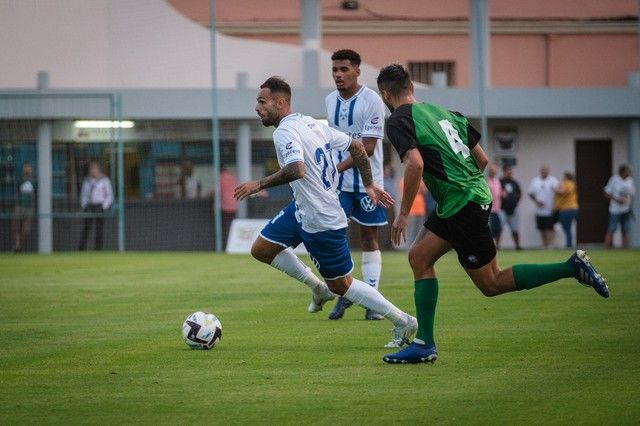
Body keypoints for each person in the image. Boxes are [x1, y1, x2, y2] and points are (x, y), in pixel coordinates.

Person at [375, 64, 609, 364]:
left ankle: (571, 267)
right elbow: (482, 159)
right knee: (419, 257)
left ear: (385, 94)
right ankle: (424, 343)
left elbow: (416, 165)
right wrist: (465, 185)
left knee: (491, 283)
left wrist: (404, 213)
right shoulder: (446, 114)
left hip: (462, 204)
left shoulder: (397, 120)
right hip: (462, 199)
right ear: (412, 87)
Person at [234, 76, 417, 348]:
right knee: (261, 249)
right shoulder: (312, 123)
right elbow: (356, 146)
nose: (257, 108)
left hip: (321, 217)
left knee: (342, 285)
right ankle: (316, 288)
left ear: (281, 103)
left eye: (262, 102)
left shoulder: (284, 131)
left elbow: (297, 169)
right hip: (301, 209)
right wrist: (368, 184)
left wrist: (258, 184)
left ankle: (402, 320)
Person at [325, 49, 389, 321]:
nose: (338, 75)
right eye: (335, 70)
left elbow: (370, 148)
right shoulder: (330, 100)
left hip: (368, 184)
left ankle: (372, 301)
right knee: (335, 239)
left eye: (343, 69)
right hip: (338, 185)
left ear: (357, 71)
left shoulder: (372, 101)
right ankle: (345, 293)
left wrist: (334, 167)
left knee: (368, 238)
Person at [78, 161, 113, 250]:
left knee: (99, 229)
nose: (93, 171)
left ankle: (98, 249)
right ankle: (81, 249)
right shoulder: (87, 181)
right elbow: (83, 195)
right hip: (89, 206)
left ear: (98, 170)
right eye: (91, 169)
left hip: (99, 206)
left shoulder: (104, 180)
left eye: (95, 169)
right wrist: (84, 205)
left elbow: (109, 195)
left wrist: (104, 206)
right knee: (86, 228)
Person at [603, 164, 635, 249]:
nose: (629, 173)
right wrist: (617, 199)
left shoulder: (630, 180)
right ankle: (606, 248)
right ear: (622, 171)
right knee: (612, 228)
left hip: (626, 209)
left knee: (625, 230)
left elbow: (632, 194)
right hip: (615, 210)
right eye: (627, 171)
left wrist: (630, 205)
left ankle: (626, 249)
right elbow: (607, 193)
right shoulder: (614, 179)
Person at [528, 165, 559, 249]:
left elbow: (558, 193)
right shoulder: (535, 181)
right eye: (543, 170)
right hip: (539, 210)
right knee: (542, 229)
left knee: (549, 228)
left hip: (550, 209)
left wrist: (555, 205)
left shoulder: (553, 180)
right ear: (540, 171)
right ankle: (544, 245)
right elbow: (530, 193)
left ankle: (550, 245)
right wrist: (536, 201)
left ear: (548, 171)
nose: (544, 172)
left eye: (546, 170)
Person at [397, 177, 427, 250]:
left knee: (420, 230)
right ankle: (409, 247)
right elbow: (404, 192)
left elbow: (424, 190)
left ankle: (418, 247)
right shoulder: (404, 180)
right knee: (411, 230)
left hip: (421, 210)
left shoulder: (419, 180)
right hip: (411, 210)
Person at [12, 163, 35, 252]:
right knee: (17, 226)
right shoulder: (20, 179)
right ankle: (17, 246)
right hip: (20, 206)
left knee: (25, 229)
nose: (27, 169)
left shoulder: (34, 180)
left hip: (29, 207)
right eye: (25, 167)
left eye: (29, 168)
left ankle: (19, 246)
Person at [499, 164, 522, 250]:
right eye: (507, 171)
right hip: (502, 209)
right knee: (499, 229)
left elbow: (520, 193)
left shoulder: (514, 183)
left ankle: (517, 246)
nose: (509, 173)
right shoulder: (500, 182)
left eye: (510, 171)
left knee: (515, 229)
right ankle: (497, 246)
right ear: (504, 172)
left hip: (513, 210)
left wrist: (516, 201)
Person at [554, 171, 579, 248]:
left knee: (567, 227)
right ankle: (569, 244)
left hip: (567, 209)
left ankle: (569, 245)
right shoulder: (571, 184)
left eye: (564, 176)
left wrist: (554, 189)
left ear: (567, 177)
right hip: (570, 208)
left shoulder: (568, 183)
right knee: (567, 227)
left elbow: (563, 192)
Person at [219, 165, 238, 249]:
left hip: (225, 207)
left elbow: (219, 192)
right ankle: (233, 244)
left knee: (225, 228)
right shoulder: (232, 177)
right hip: (234, 206)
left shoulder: (220, 178)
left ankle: (226, 246)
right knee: (232, 227)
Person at [486, 164, 503, 249]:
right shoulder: (486, 181)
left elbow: (499, 193)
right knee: (491, 229)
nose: (493, 172)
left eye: (494, 171)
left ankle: (498, 245)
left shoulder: (497, 181)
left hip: (498, 209)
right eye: (492, 170)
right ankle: (491, 245)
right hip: (490, 210)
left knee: (499, 229)